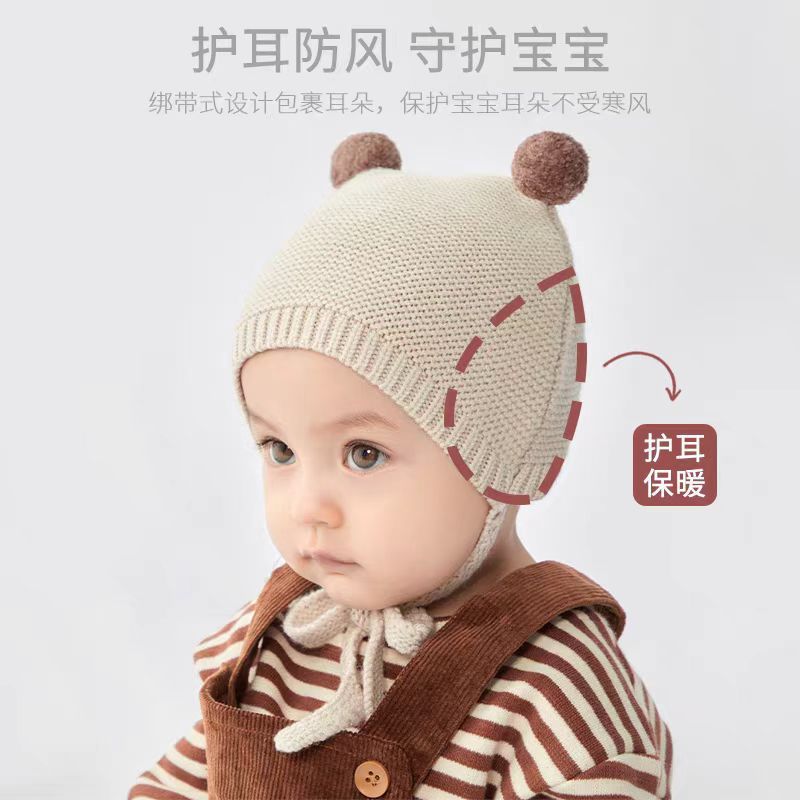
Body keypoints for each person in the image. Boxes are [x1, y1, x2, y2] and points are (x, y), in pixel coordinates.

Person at [128, 131, 673, 799]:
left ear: (503, 457)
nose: (307, 507)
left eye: (364, 455)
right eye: (280, 450)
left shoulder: (559, 694)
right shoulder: (282, 633)